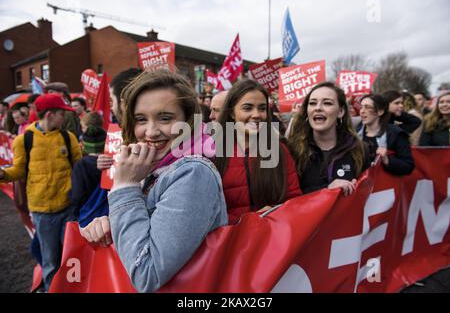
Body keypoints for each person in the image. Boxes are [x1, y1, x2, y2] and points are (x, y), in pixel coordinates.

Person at [107, 70, 228, 292]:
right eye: (141, 119)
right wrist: (110, 224)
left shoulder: (193, 172)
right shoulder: (155, 167)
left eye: (165, 118)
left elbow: (147, 273)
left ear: (188, 120)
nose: (151, 132)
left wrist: (123, 190)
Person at [0, 93, 82, 291]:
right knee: (50, 260)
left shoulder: (67, 137)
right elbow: (19, 170)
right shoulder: (23, 140)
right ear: (50, 114)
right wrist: (2, 174)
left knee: (72, 256)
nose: (65, 117)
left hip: (68, 208)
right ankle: (50, 289)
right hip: (42, 212)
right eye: (63, 113)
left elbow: (79, 167)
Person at [214, 79, 301, 224]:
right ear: (231, 113)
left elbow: (295, 199)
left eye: (262, 108)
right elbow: (207, 210)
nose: (257, 115)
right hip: (230, 242)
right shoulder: (212, 153)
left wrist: (273, 212)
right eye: (247, 108)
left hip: (273, 239)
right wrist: (246, 222)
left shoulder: (279, 150)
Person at [288, 82, 369, 195]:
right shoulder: (292, 150)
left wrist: (360, 188)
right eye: (312, 103)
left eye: (327, 103)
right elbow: (287, 198)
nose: (318, 108)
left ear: (340, 112)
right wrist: (326, 190)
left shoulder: (359, 150)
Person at [70, 126, 110, 244]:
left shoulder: (81, 165)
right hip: (108, 217)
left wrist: (73, 214)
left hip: (87, 216)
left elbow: (77, 195)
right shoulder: (113, 162)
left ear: (85, 145)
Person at [357, 94, 415, 175]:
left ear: (380, 111)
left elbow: (408, 166)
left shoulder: (395, 133)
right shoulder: (355, 132)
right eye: (361, 107)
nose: (362, 111)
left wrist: (387, 160)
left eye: (367, 107)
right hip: (359, 184)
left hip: (384, 185)